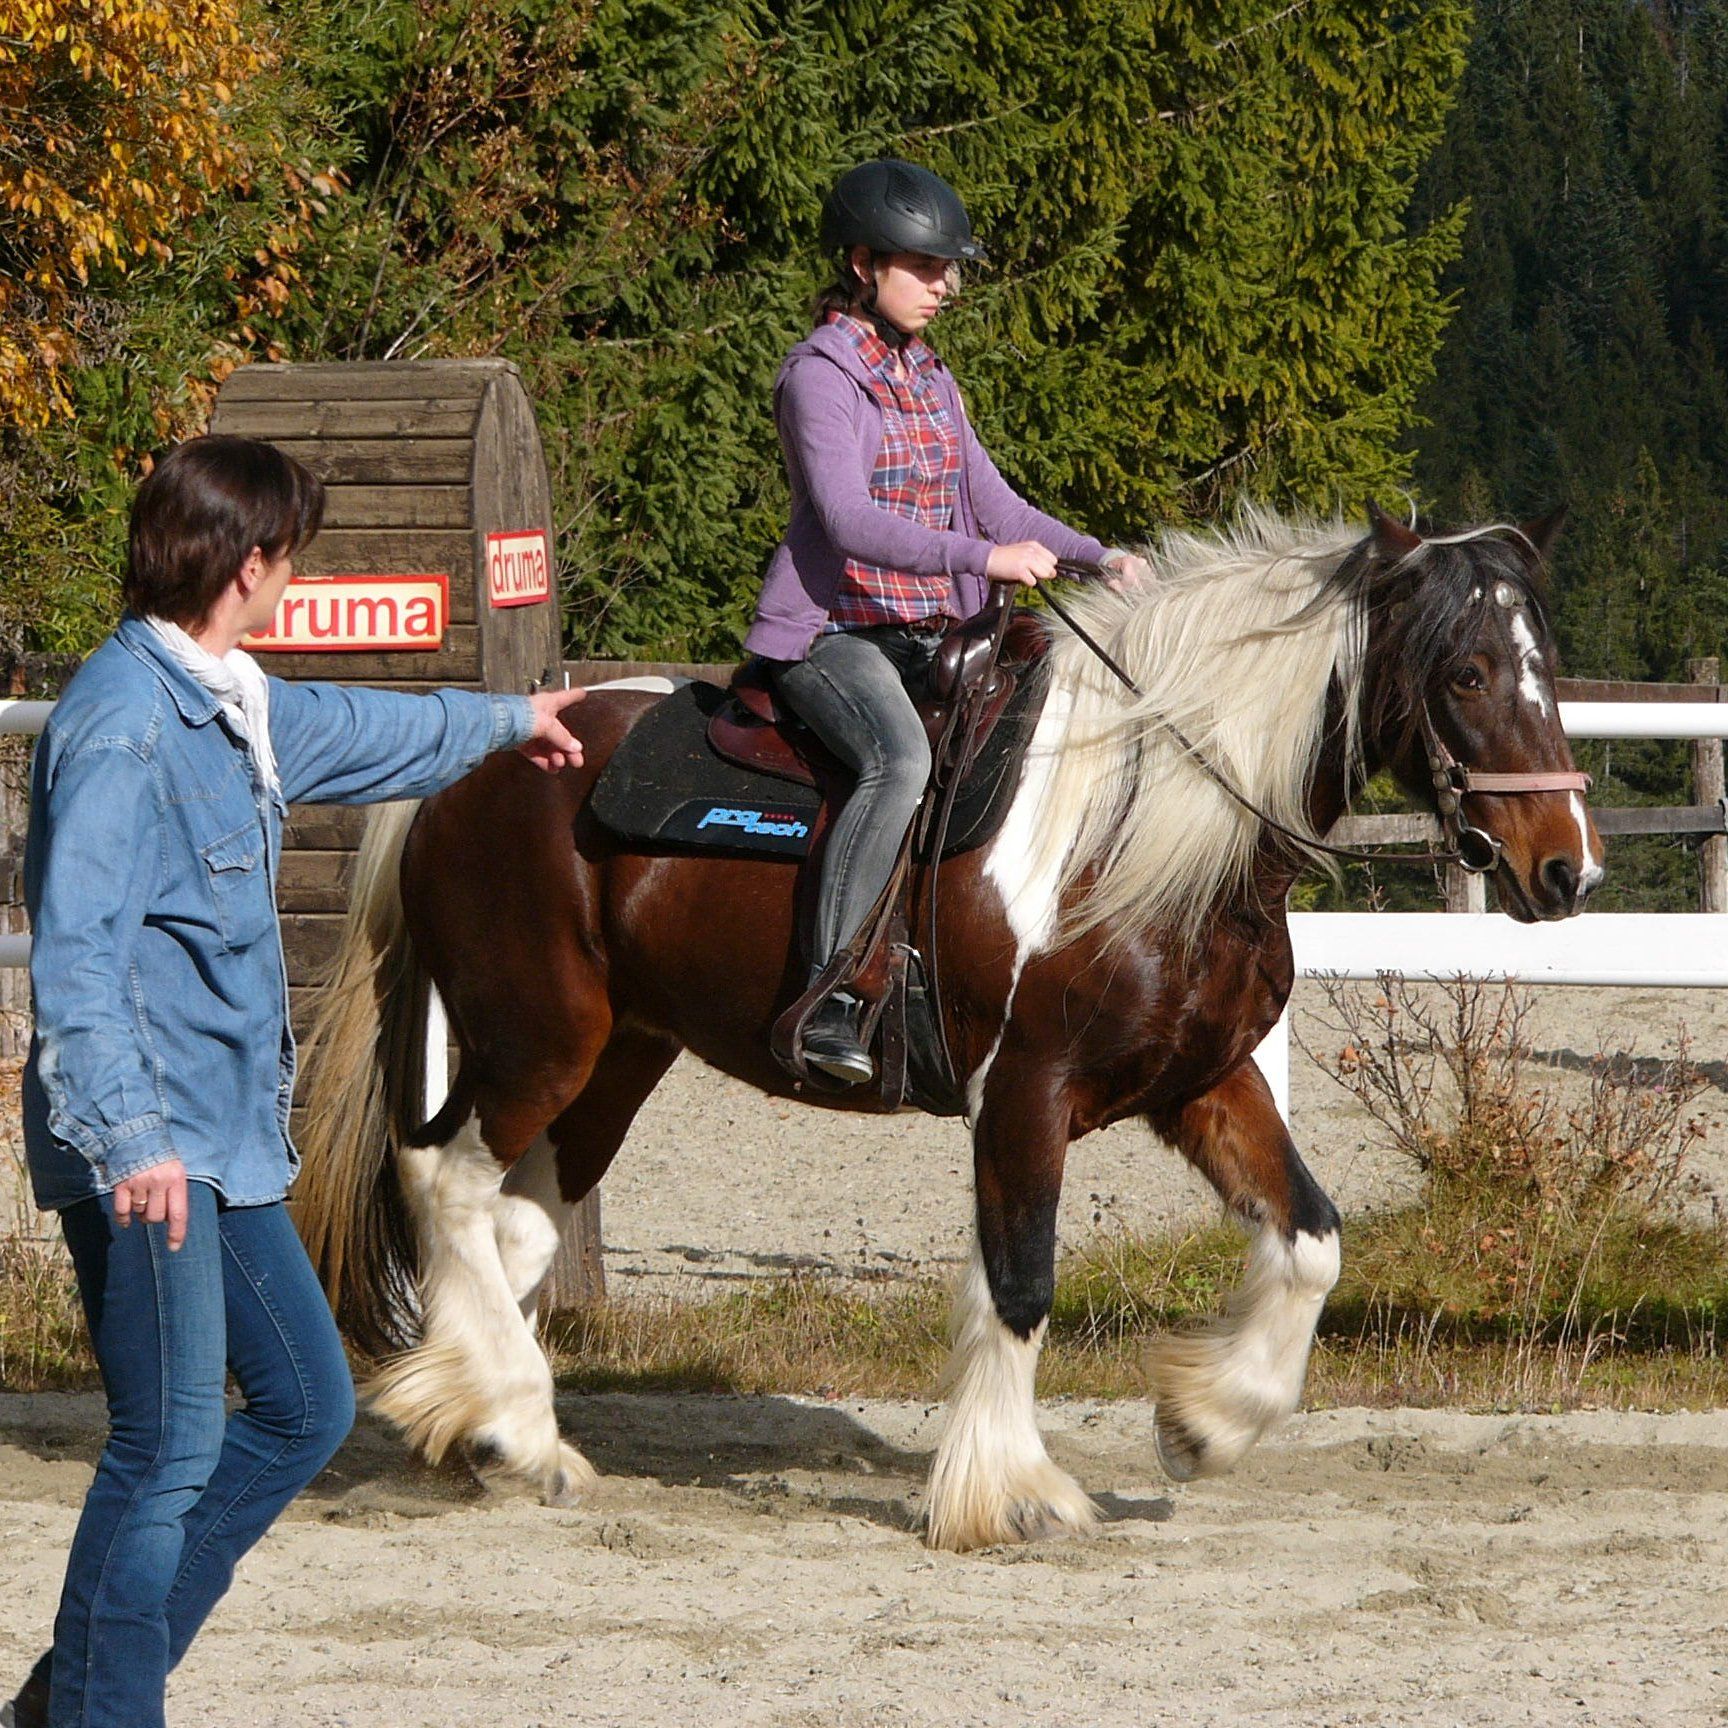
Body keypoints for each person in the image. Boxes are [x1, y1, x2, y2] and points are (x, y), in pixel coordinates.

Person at [2, 435, 585, 1728]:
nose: (290, 579)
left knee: (304, 1408)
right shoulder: (121, 726)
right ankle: (102, 1710)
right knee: (165, 1453)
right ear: (251, 561)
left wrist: (508, 721)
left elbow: (352, 726)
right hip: (150, 1148)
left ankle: (93, 1683)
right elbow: (79, 959)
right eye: (289, 558)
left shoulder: (228, 698)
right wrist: (131, 1137)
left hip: (226, 1138)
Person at [746, 157, 1149, 1085]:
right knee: (901, 761)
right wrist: (979, 559)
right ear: (860, 263)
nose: (947, 284)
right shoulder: (819, 379)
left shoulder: (930, 377)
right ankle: (830, 995)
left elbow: (996, 506)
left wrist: (1098, 554)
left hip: (933, 634)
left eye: (947, 267)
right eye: (926, 267)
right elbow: (847, 520)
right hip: (833, 636)